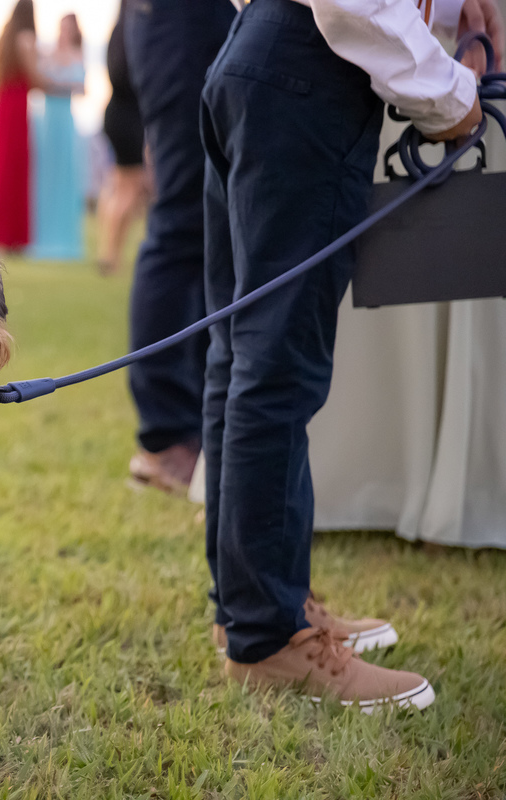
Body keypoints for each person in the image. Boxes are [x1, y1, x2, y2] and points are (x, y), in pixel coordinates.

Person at [203, 0, 501, 707]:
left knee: (240, 356)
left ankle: (251, 607)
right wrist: (450, 93)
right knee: (275, 367)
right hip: (306, 72)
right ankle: (269, 637)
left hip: (256, 53)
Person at [121, 0, 235, 495]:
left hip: (180, 21)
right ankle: (165, 435)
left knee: (205, 226)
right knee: (183, 221)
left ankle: (192, 425)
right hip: (182, 21)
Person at [0, 0, 51, 251]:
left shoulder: (5, 37)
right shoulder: (26, 38)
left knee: (0, 168)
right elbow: (34, 77)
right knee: (14, 169)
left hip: (3, 106)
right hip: (16, 107)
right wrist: (60, 84)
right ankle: (10, 235)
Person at [29, 13, 86, 261]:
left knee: (65, 176)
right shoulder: (47, 53)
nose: (64, 32)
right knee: (45, 178)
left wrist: (59, 85)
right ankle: (43, 238)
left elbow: (83, 88)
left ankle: (65, 239)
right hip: (48, 121)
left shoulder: (78, 54)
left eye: (68, 27)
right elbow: (37, 82)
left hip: (65, 120)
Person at [96, 1, 147, 275]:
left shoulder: (116, 31)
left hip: (117, 113)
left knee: (118, 184)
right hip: (127, 117)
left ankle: (108, 252)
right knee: (130, 186)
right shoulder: (132, 31)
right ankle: (110, 254)